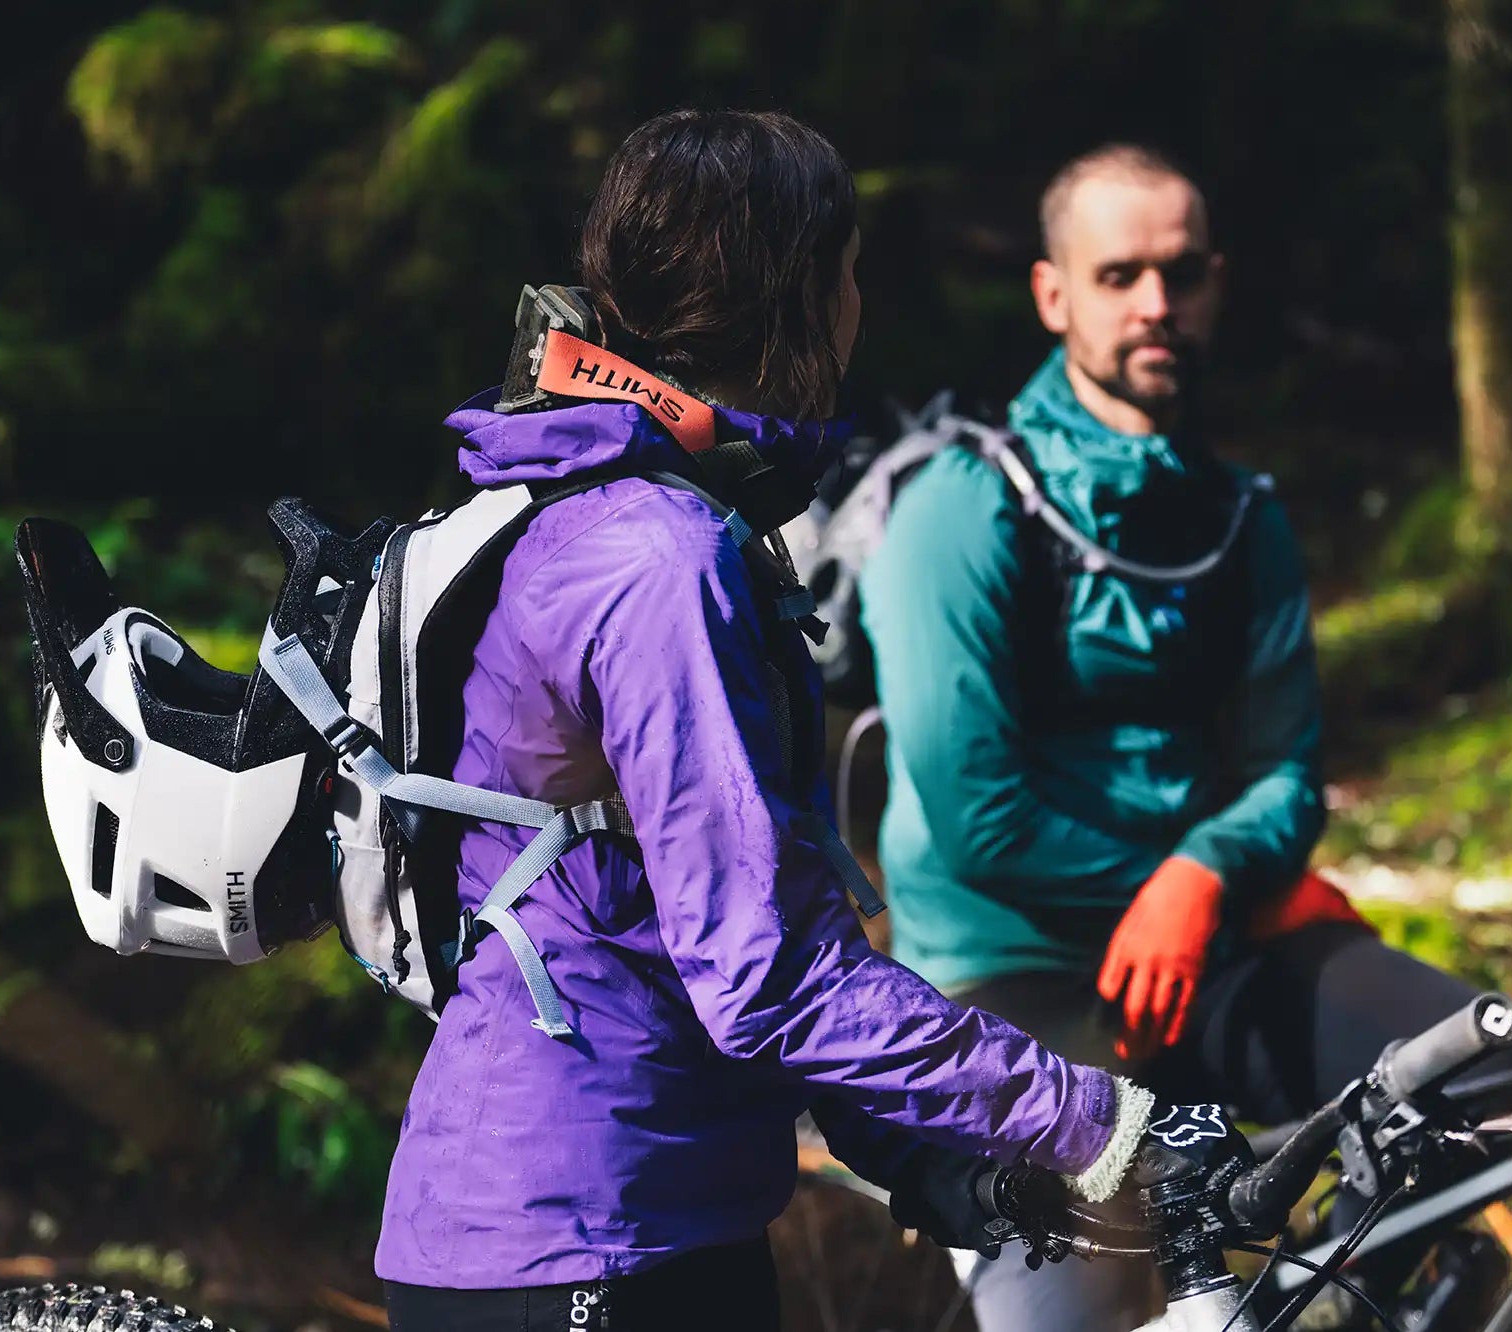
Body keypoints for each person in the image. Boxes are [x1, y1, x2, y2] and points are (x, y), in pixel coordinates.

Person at [376, 112, 1213, 1332]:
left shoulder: (600, 511)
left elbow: (725, 939)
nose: (856, 305)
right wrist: (1094, 1120)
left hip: (617, 1220)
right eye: (849, 270)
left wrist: (934, 1167)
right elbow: (766, 974)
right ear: (797, 294)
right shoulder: (660, 559)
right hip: (590, 1243)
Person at [858, 144, 1512, 1331]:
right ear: (1051, 294)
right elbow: (978, 819)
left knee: (1492, 1082)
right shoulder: (958, 513)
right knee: (1069, 1304)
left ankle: (1322, 1306)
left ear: (1216, 282)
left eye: (1180, 274)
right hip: (1005, 973)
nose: (1154, 306)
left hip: (1199, 949)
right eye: (1118, 274)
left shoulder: (1240, 517)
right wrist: (1171, 882)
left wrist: (1200, 879)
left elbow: (1285, 773)